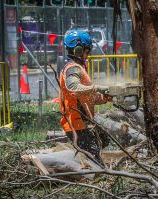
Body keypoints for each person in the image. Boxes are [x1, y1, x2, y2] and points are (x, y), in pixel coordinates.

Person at [59, 30, 110, 165]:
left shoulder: (79, 68)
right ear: (79, 50)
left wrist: (105, 98)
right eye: (87, 50)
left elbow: (85, 97)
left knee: (105, 140)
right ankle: (88, 171)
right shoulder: (73, 68)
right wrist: (96, 87)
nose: (88, 54)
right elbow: (73, 88)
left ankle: (84, 162)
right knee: (94, 157)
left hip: (84, 121)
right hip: (75, 123)